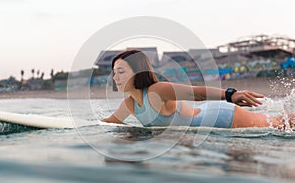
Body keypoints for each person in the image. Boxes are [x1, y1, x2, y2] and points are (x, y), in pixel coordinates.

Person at [103, 50, 293, 129]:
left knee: (280, 124)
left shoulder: (157, 91)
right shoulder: (129, 104)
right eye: (114, 72)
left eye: (120, 72)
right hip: (205, 120)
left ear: (138, 72)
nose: (115, 77)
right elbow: (107, 123)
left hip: (222, 116)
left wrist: (230, 94)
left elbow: (196, 92)